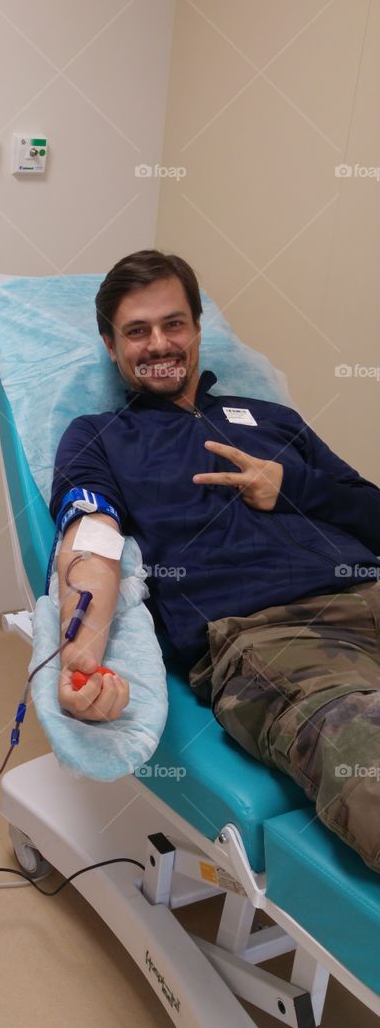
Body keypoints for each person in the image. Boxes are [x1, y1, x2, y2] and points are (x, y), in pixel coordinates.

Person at [50, 249, 380, 871]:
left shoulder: (274, 421)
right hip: (274, 637)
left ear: (198, 329)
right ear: (111, 345)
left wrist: (293, 486)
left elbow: (371, 510)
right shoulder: (99, 436)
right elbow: (90, 541)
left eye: (173, 324)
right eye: (137, 331)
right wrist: (82, 651)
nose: (159, 344)